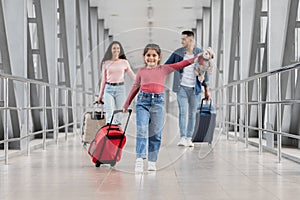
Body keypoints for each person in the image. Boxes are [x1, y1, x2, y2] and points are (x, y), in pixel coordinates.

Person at [123, 43, 201, 173]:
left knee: (156, 133)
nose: (151, 58)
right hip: (143, 102)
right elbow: (135, 87)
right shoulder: (141, 71)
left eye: (154, 55)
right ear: (144, 57)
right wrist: (126, 104)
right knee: (142, 130)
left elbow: (181, 64)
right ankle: (139, 159)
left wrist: (196, 59)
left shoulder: (164, 69)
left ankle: (152, 161)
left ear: (159, 57)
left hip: (158, 103)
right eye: (148, 55)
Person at [165, 30, 210, 147]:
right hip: (181, 88)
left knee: (192, 113)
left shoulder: (200, 54)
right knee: (183, 113)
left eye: (184, 39)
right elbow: (166, 66)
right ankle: (182, 137)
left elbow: (205, 72)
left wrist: (207, 90)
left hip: (195, 88)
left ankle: (189, 138)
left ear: (191, 39)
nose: (182, 41)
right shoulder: (178, 53)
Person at [98, 41, 135, 124]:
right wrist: (100, 96)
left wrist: (142, 81)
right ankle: (109, 131)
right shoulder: (106, 63)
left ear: (120, 50)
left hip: (120, 89)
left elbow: (132, 76)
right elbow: (103, 80)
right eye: (114, 48)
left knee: (119, 112)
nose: (116, 50)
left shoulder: (124, 62)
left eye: (118, 48)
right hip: (108, 89)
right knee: (109, 111)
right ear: (110, 50)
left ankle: (117, 132)